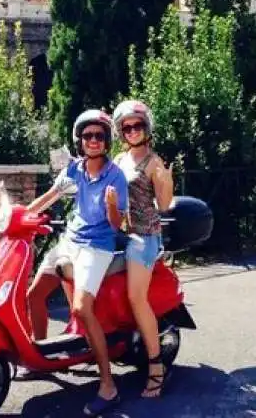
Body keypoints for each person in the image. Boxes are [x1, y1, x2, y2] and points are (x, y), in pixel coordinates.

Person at [26, 109, 129, 415]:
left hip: (97, 246)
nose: (93, 140)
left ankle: (108, 387)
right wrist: (20, 215)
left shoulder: (115, 175)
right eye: (88, 135)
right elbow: (50, 196)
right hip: (70, 241)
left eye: (99, 135)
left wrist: (112, 206)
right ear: (80, 140)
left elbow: (116, 225)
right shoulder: (74, 170)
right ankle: (40, 360)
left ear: (106, 141)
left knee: (82, 309)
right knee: (34, 295)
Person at [111, 99, 174, 398]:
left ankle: (156, 368)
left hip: (144, 236)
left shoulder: (153, 162)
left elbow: (163, 205)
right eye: (127, 127)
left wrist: (166, 182)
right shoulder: (120, 159)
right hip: (120, 233)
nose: (132, 131)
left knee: (137, 298)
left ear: (146, 127)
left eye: (137, 126)